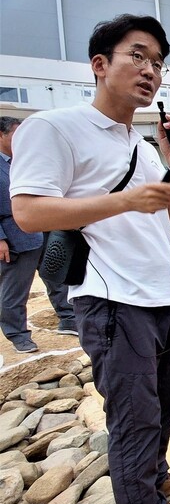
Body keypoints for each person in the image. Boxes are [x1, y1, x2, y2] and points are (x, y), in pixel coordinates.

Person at [10, 14, 170, 504]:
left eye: (159, 63)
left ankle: (153, 477)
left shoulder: (142, 147)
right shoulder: (54, 127)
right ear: (100, 65)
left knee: (166, 398)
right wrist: (124, 199)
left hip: (159, 292)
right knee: (134, 410)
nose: (151, 71)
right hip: (111, 297)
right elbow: (29, 212)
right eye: (138, 56)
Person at [1, 117, 76, 352]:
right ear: (1, 136)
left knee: (57, 275)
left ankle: (68, 318)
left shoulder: (25, 161)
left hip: (44, 230)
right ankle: (17, 333)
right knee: (15, 288)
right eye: (16, 134)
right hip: (15, 237)